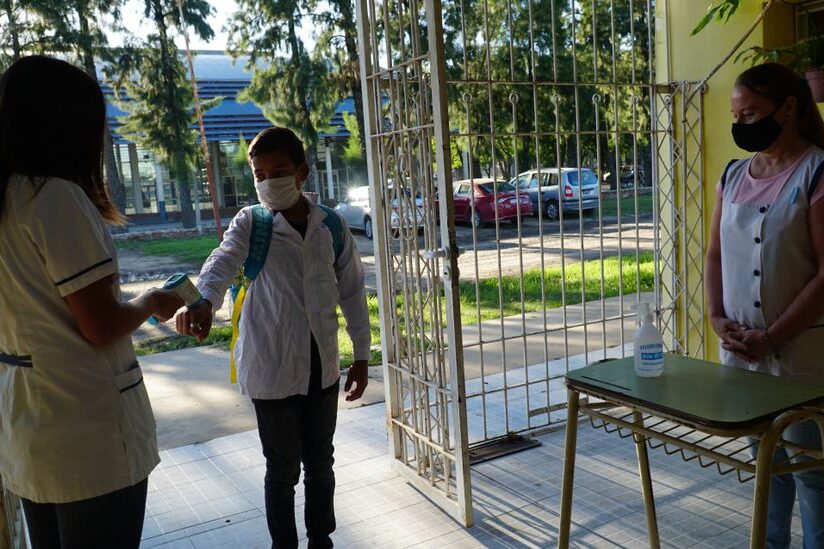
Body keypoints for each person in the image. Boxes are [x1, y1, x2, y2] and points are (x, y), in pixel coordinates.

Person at [0, 56, 184, 548]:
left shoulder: (9, 200)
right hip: (85, 428)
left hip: (27, 423)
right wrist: (149, 300)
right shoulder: (54, 198)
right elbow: (100, 325)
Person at [176, 126, 370, 549]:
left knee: (321, 461)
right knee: (282, 470)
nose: (268, 182)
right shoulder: (252, 222)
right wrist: (204, 300)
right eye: (259, 174)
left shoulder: (331, 226)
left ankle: (321, 539)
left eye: (278, 171)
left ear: (301, 172)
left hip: (323, 366)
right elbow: (222, 261)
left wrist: (362, 356)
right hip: (271, 366)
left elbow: (353, 292)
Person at [706, 62, 824, 549]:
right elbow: (714, 254)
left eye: (751, 114)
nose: (741, 126)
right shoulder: (733, 175)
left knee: (811, 474)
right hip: (743, 356)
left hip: (801, 355)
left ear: (788, 108)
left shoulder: (817, 171)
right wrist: (717, 318)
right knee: (766, 470)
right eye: (737, 115)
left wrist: (773, 335)